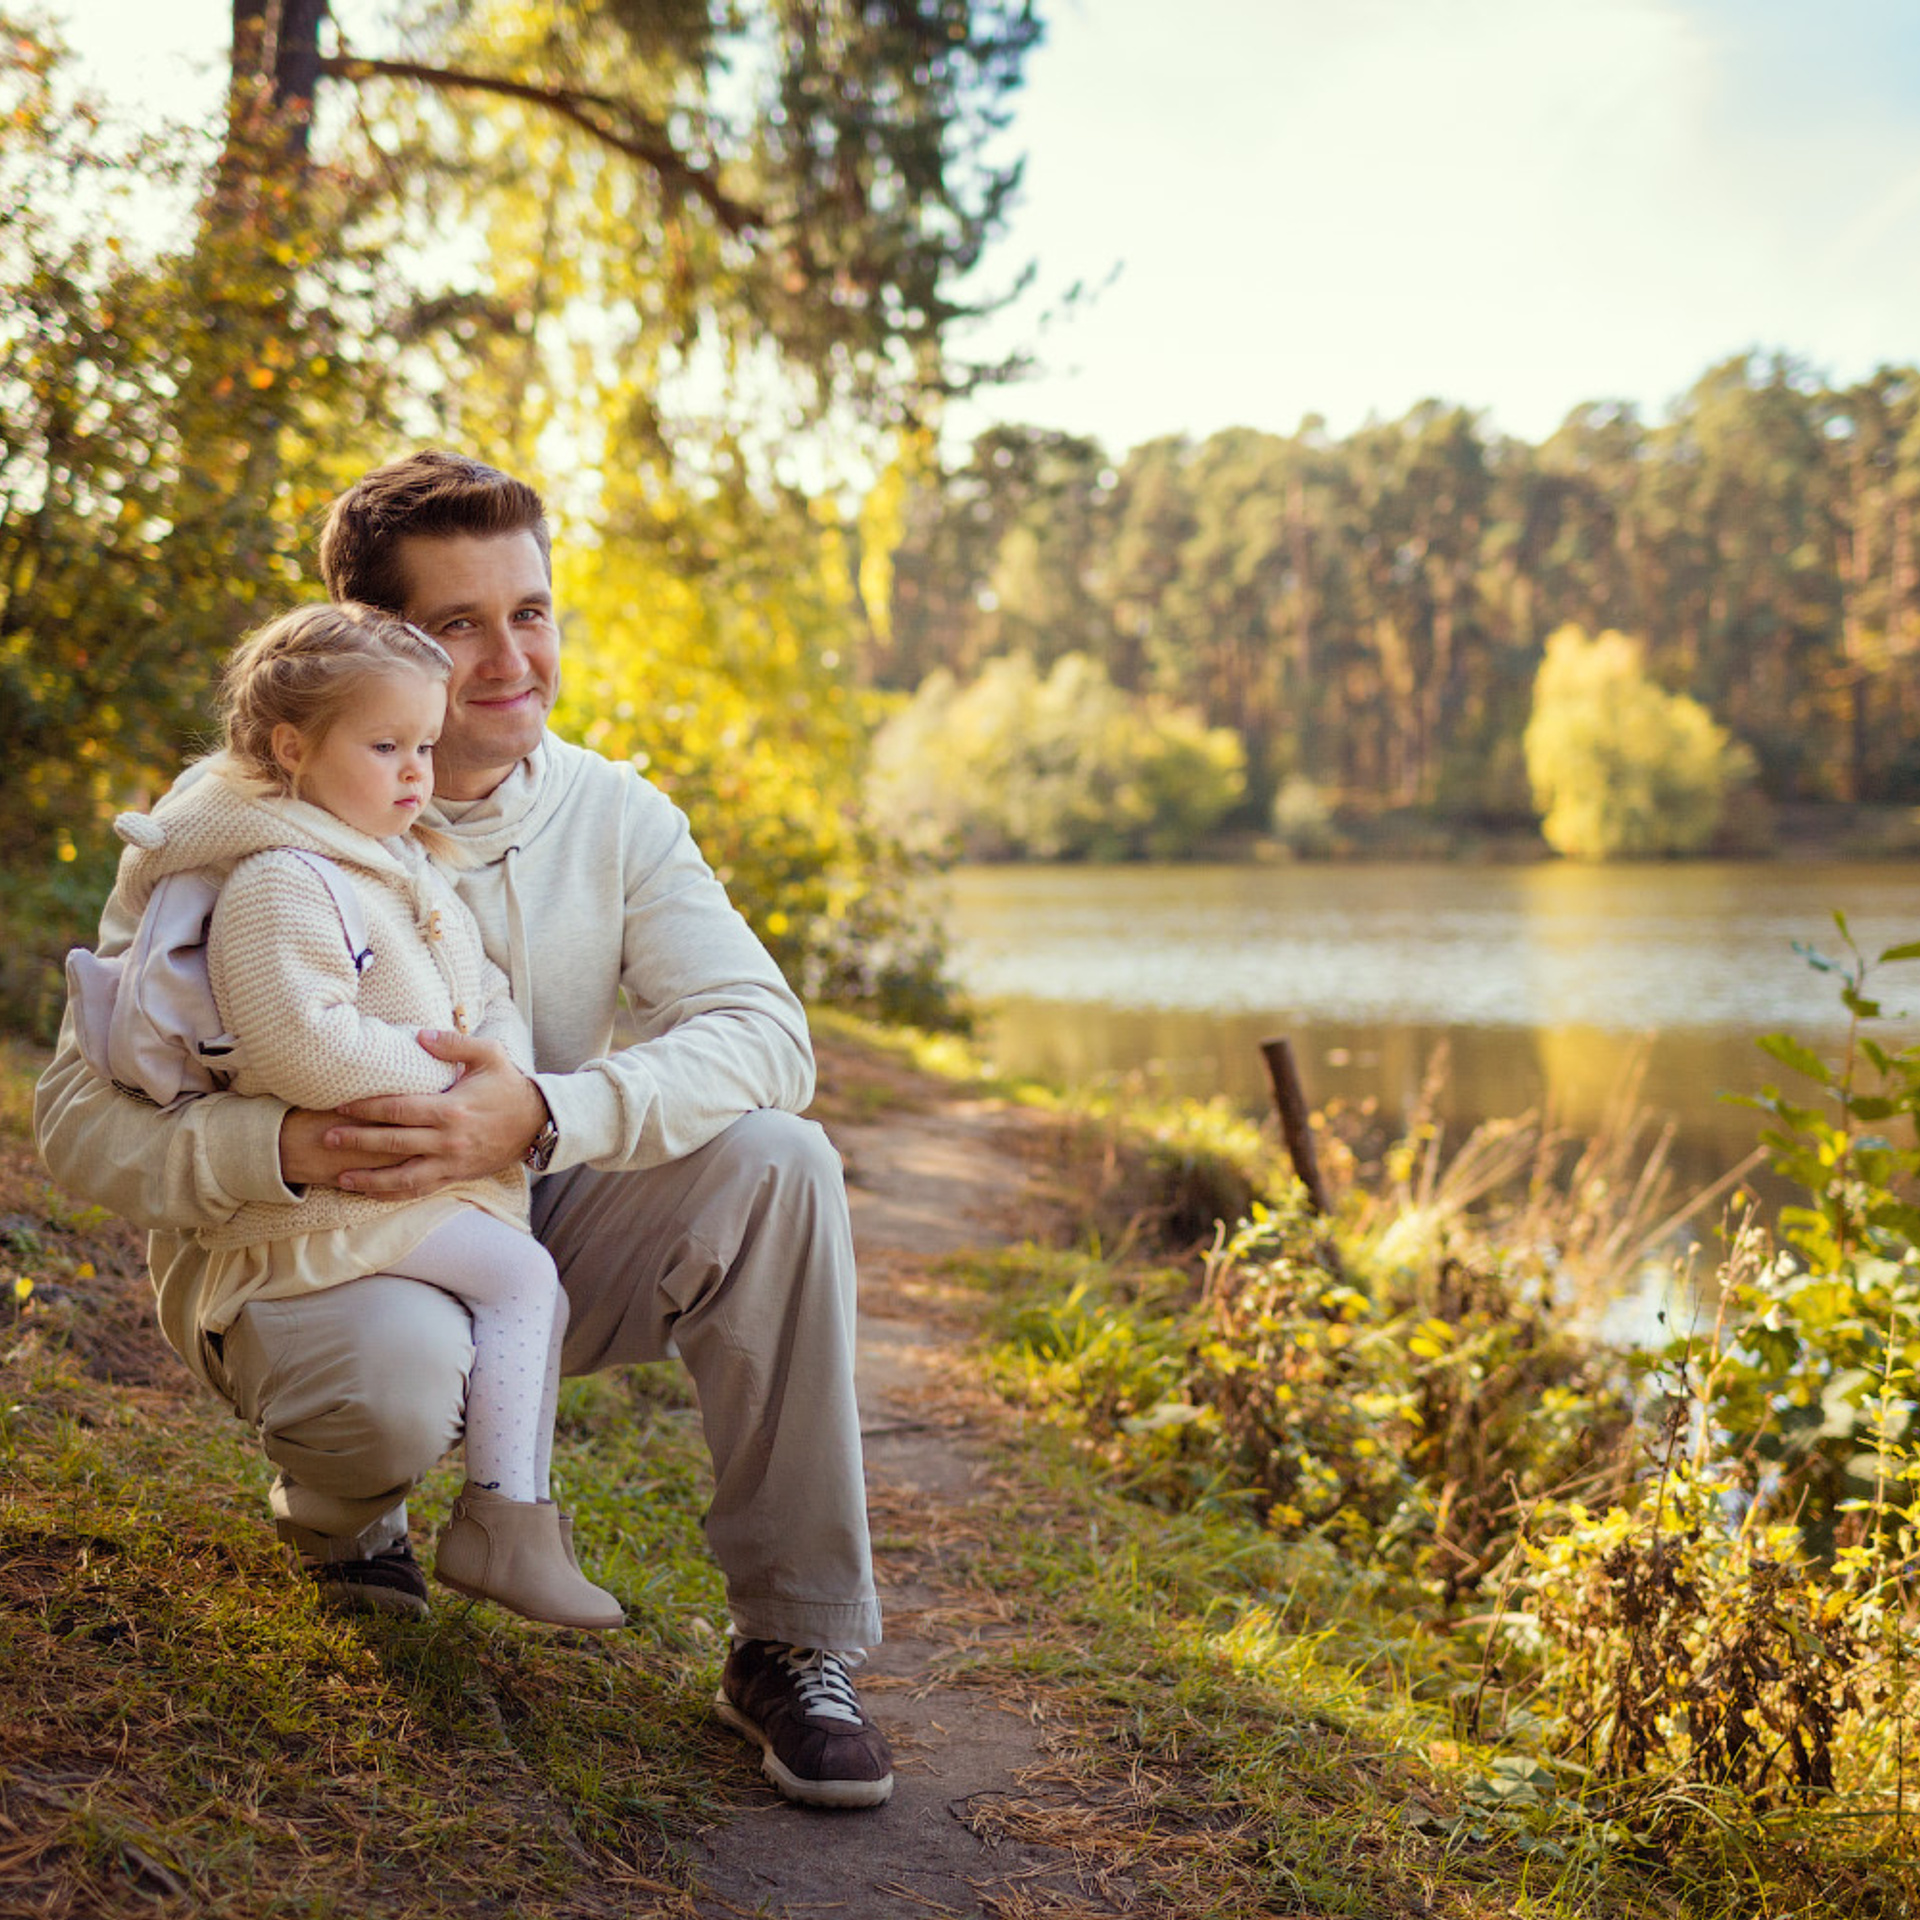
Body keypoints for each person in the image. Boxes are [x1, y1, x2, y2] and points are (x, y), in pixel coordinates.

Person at [34, 451, 893, 1810]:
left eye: (533, 611)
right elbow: (71, 1126)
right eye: (459, 625)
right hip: (312, 1238)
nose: (512, 659)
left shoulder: (613, 812)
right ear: (379, 644)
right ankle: (339, 1515)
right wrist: (281, 1147)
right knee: (385, 1386)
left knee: (781, 1166)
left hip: (521, 1207)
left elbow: (766, 1034)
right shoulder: (232, 826)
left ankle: (793, 1641)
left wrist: (549, 1109)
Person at [98, 602, 624, 1631]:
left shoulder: (398, 864)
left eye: (424, 745)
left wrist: (499, 1073)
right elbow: (305, 1047)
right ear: (294, 748)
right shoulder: (281, 881)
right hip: (321, 1206)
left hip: (384, 1186)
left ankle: (505, 1518)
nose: (417, 771)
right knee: (524, 1276)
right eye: (387, 747)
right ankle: (503, 1526)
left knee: (525, 1288)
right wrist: (442, 1084)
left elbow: (488, 991)